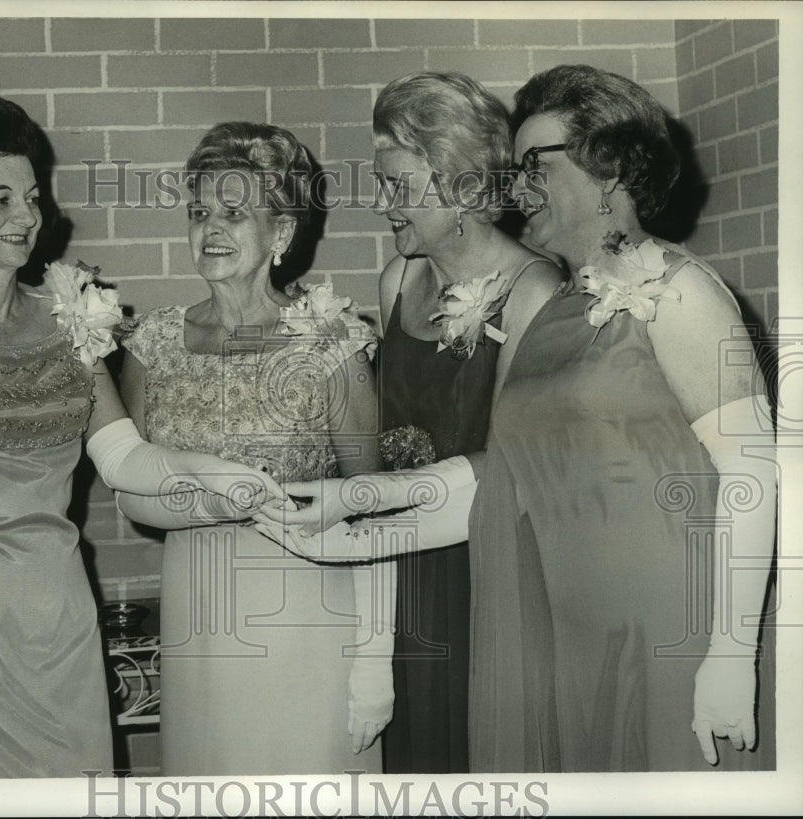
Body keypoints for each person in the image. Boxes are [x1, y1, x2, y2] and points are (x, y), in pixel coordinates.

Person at [264, 64, 778, 773]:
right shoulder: (558, 309)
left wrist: (731, 652)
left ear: (610, 167)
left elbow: (757, 467)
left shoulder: (678, 288)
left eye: (534, 164)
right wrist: (350, 520)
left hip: (675, 633)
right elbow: (500, 490)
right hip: (575, 639)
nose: (511, 184)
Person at [0, 94, 282, 779]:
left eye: (32, 197)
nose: (26, 217)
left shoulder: (70, 320)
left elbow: (125, 457)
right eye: (0, 198)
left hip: (55, 637)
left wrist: (215, 471)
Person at [261, 71, 563, 774]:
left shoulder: (535, 291)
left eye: (397, 185)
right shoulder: (400, 283)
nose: (379, 203)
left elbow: (520, 474)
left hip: (494, 578)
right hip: (403, 568)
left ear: (459, 186)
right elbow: (380, 452)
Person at [114, 121, 389, 776]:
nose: (211, 228)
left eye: (235, 213)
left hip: (310, 627)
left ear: (283, 233)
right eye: (200, 211)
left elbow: (378, 509)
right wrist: (225, 496)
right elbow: (132, 496)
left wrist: (376, 660)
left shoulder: (331, 341)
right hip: (198, 628)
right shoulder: (154, 343)